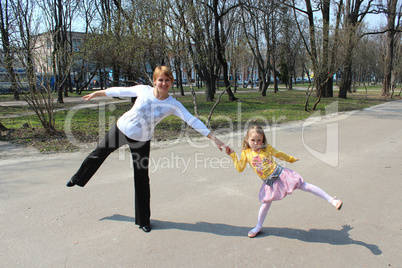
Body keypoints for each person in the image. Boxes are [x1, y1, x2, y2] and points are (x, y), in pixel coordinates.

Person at [66, 66, 230, 233]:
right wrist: (98, 93)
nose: (164, 83)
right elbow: (121, 91)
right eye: (160, 80)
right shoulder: (143, 90)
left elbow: (193, 121)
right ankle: (77, 179)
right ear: (154, 81)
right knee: (98, 154)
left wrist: (215, 140)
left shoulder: (173, 105)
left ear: (172, 82)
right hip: (121, 129)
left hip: (142, 140)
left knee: (141, 178)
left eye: (167, 80)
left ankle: (144, 220)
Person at [227, 125, 343, 238]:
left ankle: (332, 200)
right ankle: (258, 227)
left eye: (259, 140)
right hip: (269, 183)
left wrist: (290, 159)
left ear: (263, 141)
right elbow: (240, 168)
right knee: (266, 203)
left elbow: (279, 154)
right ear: (247, 139)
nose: (256, 143)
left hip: (281, 175)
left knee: (304, 186)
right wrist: (233, 155)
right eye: (253, 140)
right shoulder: (246, 153)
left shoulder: (266, 148)